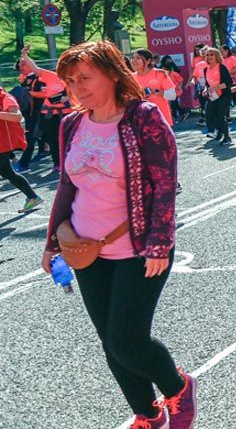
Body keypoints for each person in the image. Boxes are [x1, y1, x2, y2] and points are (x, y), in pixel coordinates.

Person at [43, 42, 195, 429]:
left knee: (127, 339)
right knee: (109, 341)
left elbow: (165, 184)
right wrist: (52, 243)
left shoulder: (143, 118)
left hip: (140, 248)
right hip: (85, 250)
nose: (77, 86)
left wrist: (160, 242)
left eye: (85, 77)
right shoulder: (71, 124)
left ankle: (177, 388)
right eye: (71, 80)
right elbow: (66, 185)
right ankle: (146, 412)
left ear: (112, 74)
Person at [0, 83, 41, 212]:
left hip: (4, 144)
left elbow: (17, 116)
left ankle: (33, 197)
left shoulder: (6, 98)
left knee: (9, 173)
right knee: (9, 173)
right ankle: (33, 197)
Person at [130, 50, 175, 125]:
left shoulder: (160, 74)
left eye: (138, 58)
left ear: (148, 61)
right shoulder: (131, 78)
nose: (134, 61)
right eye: (132, 58)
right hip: (140, 122)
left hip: (161, 121)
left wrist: (155, 91)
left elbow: (172, 95)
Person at [200, 48, 233, 145]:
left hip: (224, 95)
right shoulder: (206, 69)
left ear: (217, 56)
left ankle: (227, 137)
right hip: (213, 96)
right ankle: (220, 131)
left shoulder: (222, 67)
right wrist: (205, 90)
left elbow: (229, 82)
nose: (209, 57)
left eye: (212, 55)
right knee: (209, 116)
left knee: (220, 115)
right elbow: (207, 84)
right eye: (208, 55)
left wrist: (216, 87)